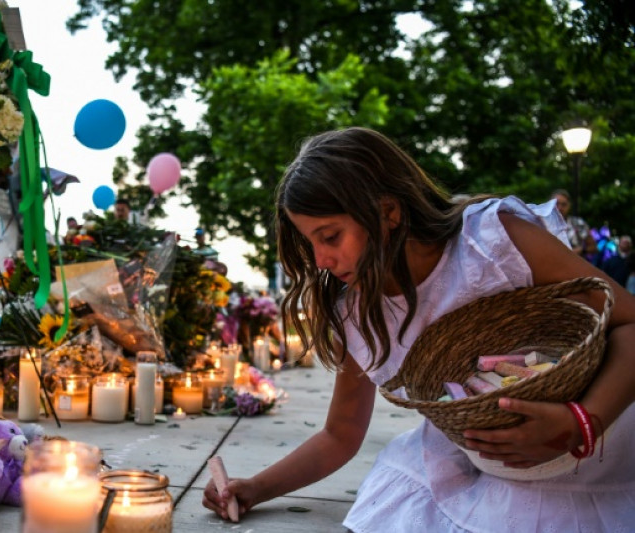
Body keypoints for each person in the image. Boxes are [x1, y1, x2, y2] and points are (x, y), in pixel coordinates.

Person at [203, 127, 635, 531]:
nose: (319, 261)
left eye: (330, 236)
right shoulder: (360, 310)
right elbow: (341, 433)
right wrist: (256, 488)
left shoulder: (492, 244)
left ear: (388, 212)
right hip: (480, 469)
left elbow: (629, 322)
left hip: (600, 452)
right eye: (309, 241)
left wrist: (579, 424)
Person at [551, 189, 589, 255]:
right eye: (556, 204)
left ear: (569, 206)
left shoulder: (578, 224)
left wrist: (582, 250)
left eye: (563, 205)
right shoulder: (543, 224)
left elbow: (593, 247)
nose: (559, 208)